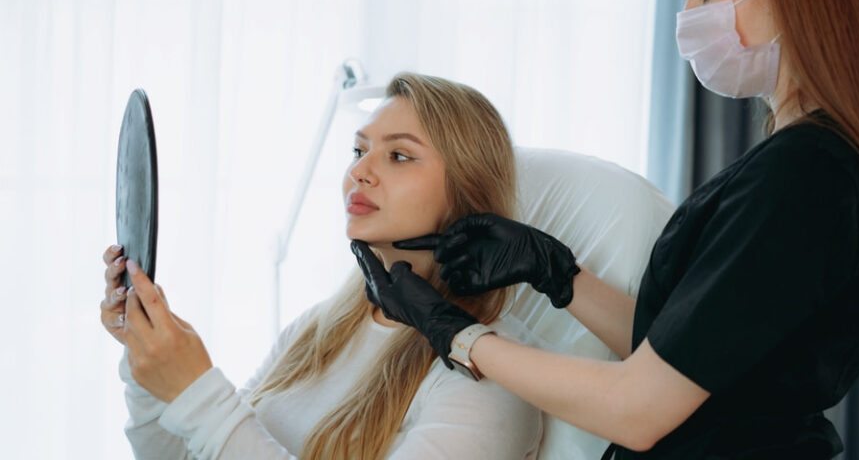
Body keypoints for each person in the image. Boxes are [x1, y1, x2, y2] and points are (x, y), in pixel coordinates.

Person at [352, 0, 859, 459]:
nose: (689, 19)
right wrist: (554, 272)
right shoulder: (809, 165)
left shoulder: (807, 177)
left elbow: (638, 408)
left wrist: (455, 334)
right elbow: (682, 357)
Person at [99, 73, 542, 459]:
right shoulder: (320, 326)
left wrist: (199, 394)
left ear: (469, 191)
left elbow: (214, 425)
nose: (359, 172)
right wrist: (148, 363)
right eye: (358, 150)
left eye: (399, 155)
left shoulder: (492, 371)